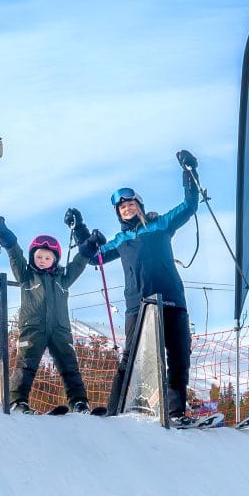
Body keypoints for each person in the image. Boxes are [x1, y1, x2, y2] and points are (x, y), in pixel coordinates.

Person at [69, 150, 199, 423]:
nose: (127, 209)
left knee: (177, 357)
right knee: (130, 359)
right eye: (122, 207)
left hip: (172, 301)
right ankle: (114, 412)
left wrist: (189, 171)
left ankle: (176, 413)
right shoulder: (120, 239)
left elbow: (189, 206)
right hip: (137, 306)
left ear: (139, 205)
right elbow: (95, 257)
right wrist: (81, 229)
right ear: (119, 213)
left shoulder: (161, 224)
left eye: (131, 204)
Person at [0, 216, 102, 414]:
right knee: (26, 365)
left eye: (47, 258)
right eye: (39, 257)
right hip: (33, 328)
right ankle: (18, 401)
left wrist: (90, 246)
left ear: (55, 260)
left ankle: (79, 402)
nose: (42, 261)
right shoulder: (26, 275)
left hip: (60, 329)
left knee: (69, 366)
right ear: (33, 258)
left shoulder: (63, 279)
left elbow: (78, 264)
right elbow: (16, 255)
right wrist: (6, 236)